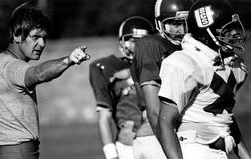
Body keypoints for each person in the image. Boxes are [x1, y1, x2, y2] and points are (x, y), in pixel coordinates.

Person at [0, 2, 89, 159]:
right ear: (16, 35)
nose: (42, 43)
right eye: (36, 37)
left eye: (44, 38)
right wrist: (69, 60)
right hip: (19, 152)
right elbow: (38, 73)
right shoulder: (12, 66)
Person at [156, 0, 251, 158]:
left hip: (220, 151)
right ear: (209, 32)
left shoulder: (232, 65)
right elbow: (165, 122)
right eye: (227, 29)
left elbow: (223, 114)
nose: (234, 33)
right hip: (194, 149)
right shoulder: (184, 63)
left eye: (233, 28)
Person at [130, 0, 194, 158]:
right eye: (174, 23)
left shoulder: (192, 46)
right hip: (160, 137)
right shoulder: (152, 45)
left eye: (186, 23)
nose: (182, 30)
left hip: (183, 134)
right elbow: (155, 112)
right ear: (159, 24)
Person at [89, 16, 154, 159]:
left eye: (144, 42)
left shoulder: (163, 66)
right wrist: (111, 154)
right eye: (134, 41)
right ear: (123, 42)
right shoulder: (108, 68)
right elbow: (104, 117)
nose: (138, 47)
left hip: (157, 140)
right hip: (127, 145)